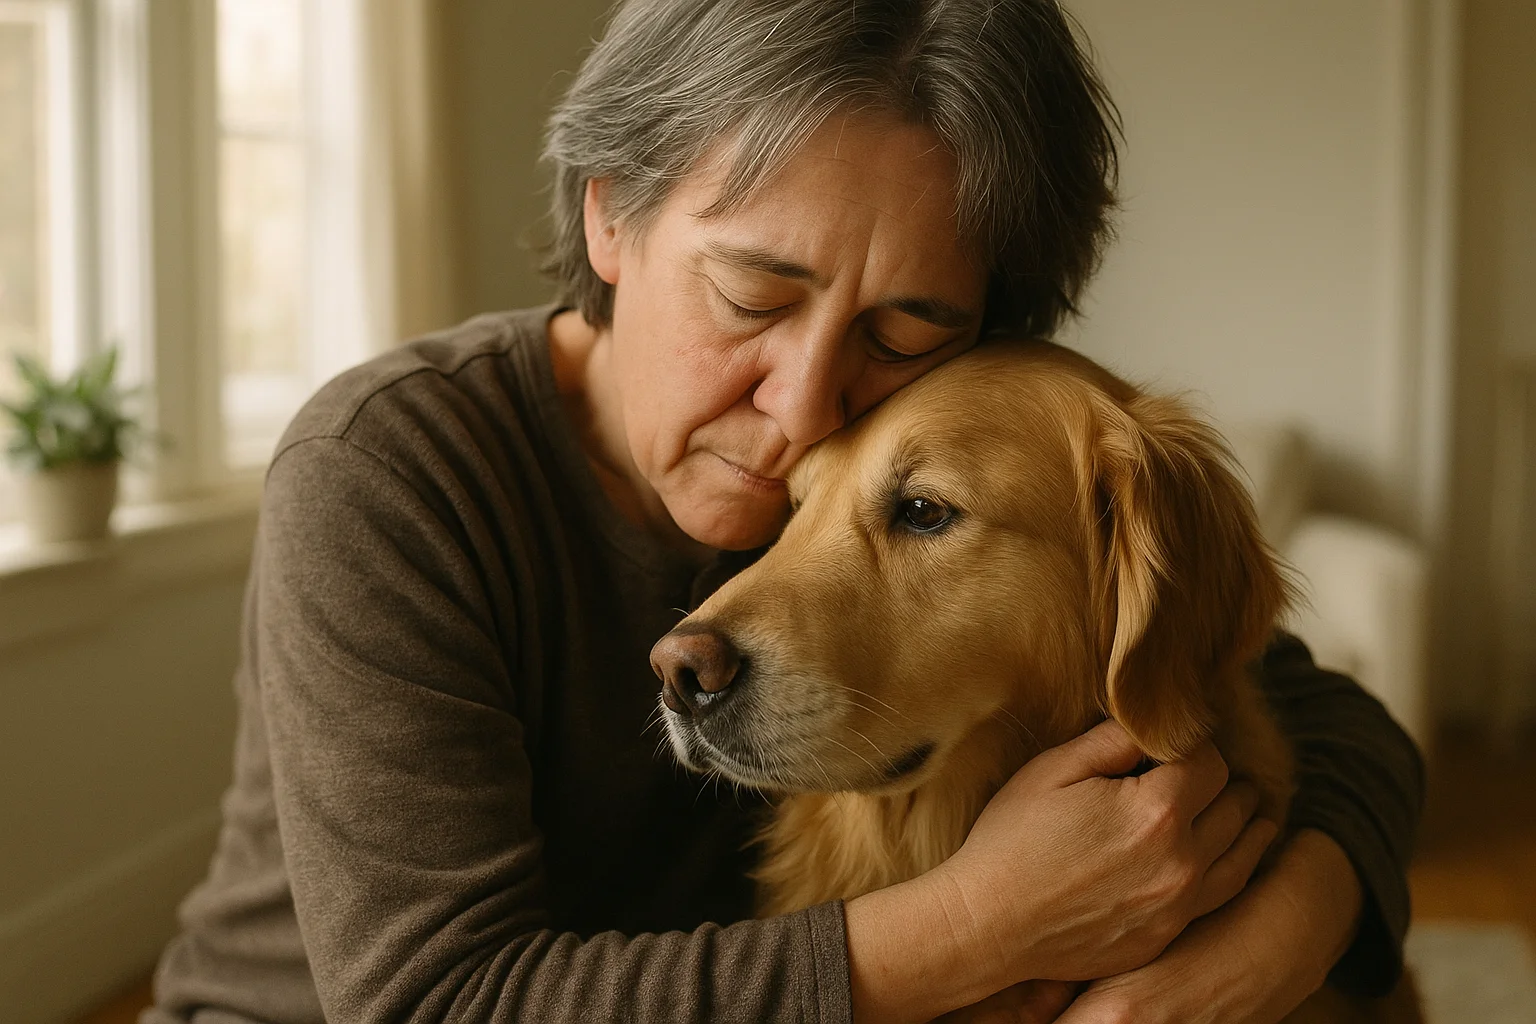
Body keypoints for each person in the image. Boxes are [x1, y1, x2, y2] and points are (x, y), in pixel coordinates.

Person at [144, 1, 1423, 1022]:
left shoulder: (886, 459)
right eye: (753, 296)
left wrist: (1284, 927)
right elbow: (441, 1000)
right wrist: (986, 921)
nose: (806, 401)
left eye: (904, 327)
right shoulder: (386, 470)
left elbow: (1302, 703)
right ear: (610, 213)